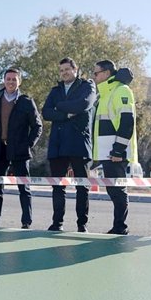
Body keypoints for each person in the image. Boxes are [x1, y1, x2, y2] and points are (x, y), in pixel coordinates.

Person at [42, 58, 96, 232]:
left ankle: (82, 224)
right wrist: (66, 114)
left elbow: (84, 104)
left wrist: (59, 107)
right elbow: (46, 112)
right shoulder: (55, 90)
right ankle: (57, 223)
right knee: (58, 186)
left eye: (67, 69)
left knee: (82, 186)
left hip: (79, 143)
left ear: (75, 69)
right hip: (58, 145)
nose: (64, 72)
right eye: (61, 70)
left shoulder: (87, 86)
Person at [0, 68, 43, 229]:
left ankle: (26, 220)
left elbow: (37, 126)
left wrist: (28, 144)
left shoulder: (26, 101)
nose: (10, 82)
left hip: (19, 151)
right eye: (8, 79)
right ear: (4, 80)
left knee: (24, 187)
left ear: (19, 82)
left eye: (14, 79)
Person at [91, 60, 137, 235]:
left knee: (118, 191)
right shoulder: (104, 94)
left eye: (96, 73)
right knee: (113, 190)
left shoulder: (121, 91)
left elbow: (127, 122)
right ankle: (118, 226)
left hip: (115, 154)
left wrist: (118, 150)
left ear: (107, 73)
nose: (94, 77)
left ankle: (120, 227)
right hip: (107, 153)